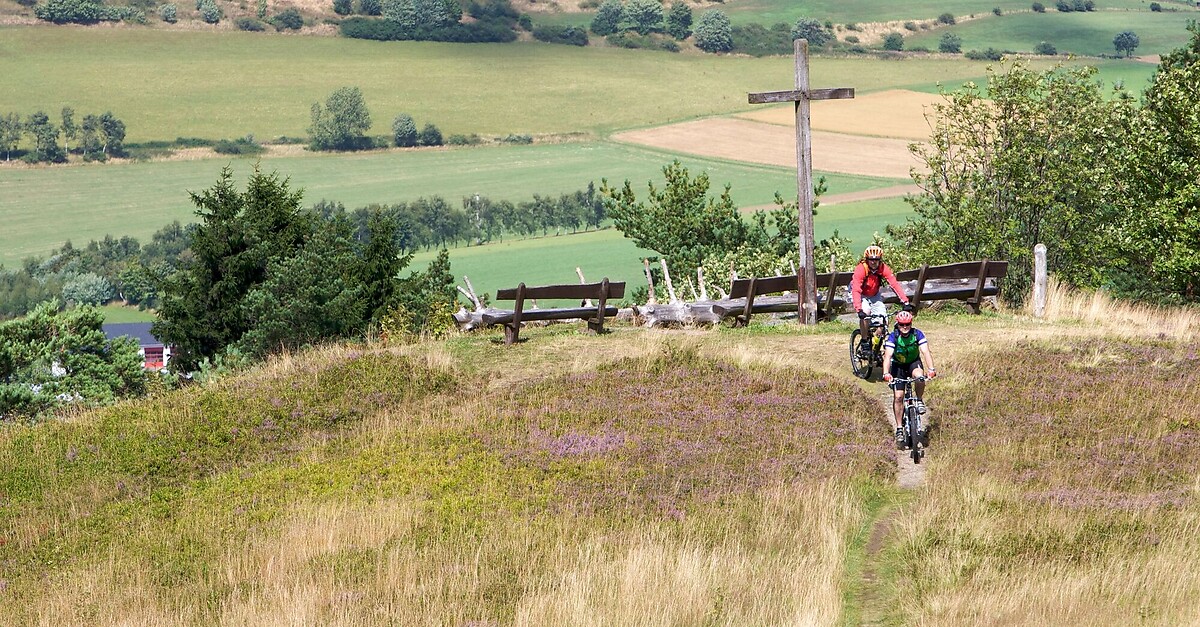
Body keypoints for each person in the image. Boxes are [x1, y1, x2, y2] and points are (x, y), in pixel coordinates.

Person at [881, 310, 938, 447]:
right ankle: (900, 428)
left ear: (911, 324)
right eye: (902, 325)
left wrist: (931, 369)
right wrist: (886, 373)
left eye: (907, 324)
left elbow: (925, 352)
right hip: (898, 367)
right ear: (898, 324)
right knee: (899, 397)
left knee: (919, 377)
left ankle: (918, 400)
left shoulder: (917, 334)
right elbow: (888, 357)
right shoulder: (893, 337)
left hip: (913, 363)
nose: (905, 327)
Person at [850, 245, 912, 356]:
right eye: (871, 260)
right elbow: (856, 290)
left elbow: (894, 284)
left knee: (884, 321)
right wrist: (859, 309)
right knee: (866, 312)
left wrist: (905, 302)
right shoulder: (861, 269)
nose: (874, 262)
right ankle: (864, 342)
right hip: (861, 294)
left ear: (880, 260)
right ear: (867, 259)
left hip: (874, 295)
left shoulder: (882, 268)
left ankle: (875, 342)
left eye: (876, 260)